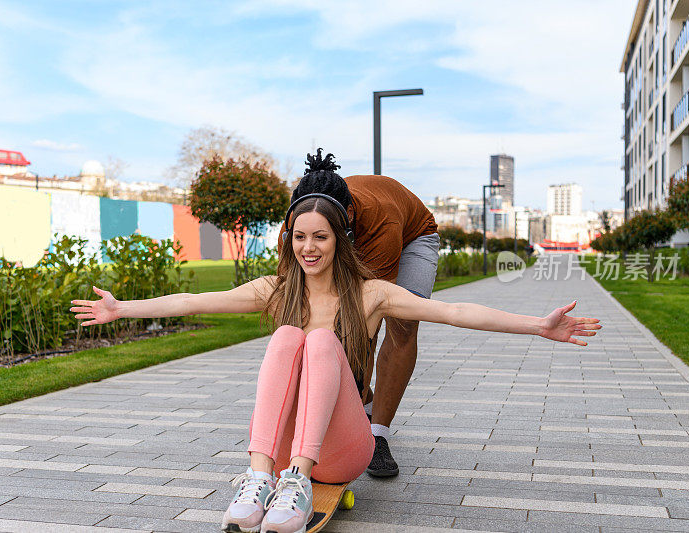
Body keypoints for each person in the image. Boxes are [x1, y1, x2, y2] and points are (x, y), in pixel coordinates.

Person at [70, 173, 601, 533]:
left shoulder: (372, 294)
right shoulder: (276, 289)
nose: (308, 248)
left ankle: (298, 482)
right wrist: (124, 309)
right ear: (287, 240)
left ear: (340, 238)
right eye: (299, 237)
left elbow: (459, 314)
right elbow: (190, 300)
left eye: (320, 237)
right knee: (286, 336)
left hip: (343, 450)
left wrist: (539, 326)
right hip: (279, 448)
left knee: (319, 340)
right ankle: (260, 479)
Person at [281, 149, 440, 477]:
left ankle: (377, 434)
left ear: (348, 213)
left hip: (413, 236)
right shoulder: (297, 224)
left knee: (401, 323)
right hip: (346, 241)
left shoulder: (382, 219)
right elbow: (298, 309)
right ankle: (361, 406)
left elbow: (367, 320)